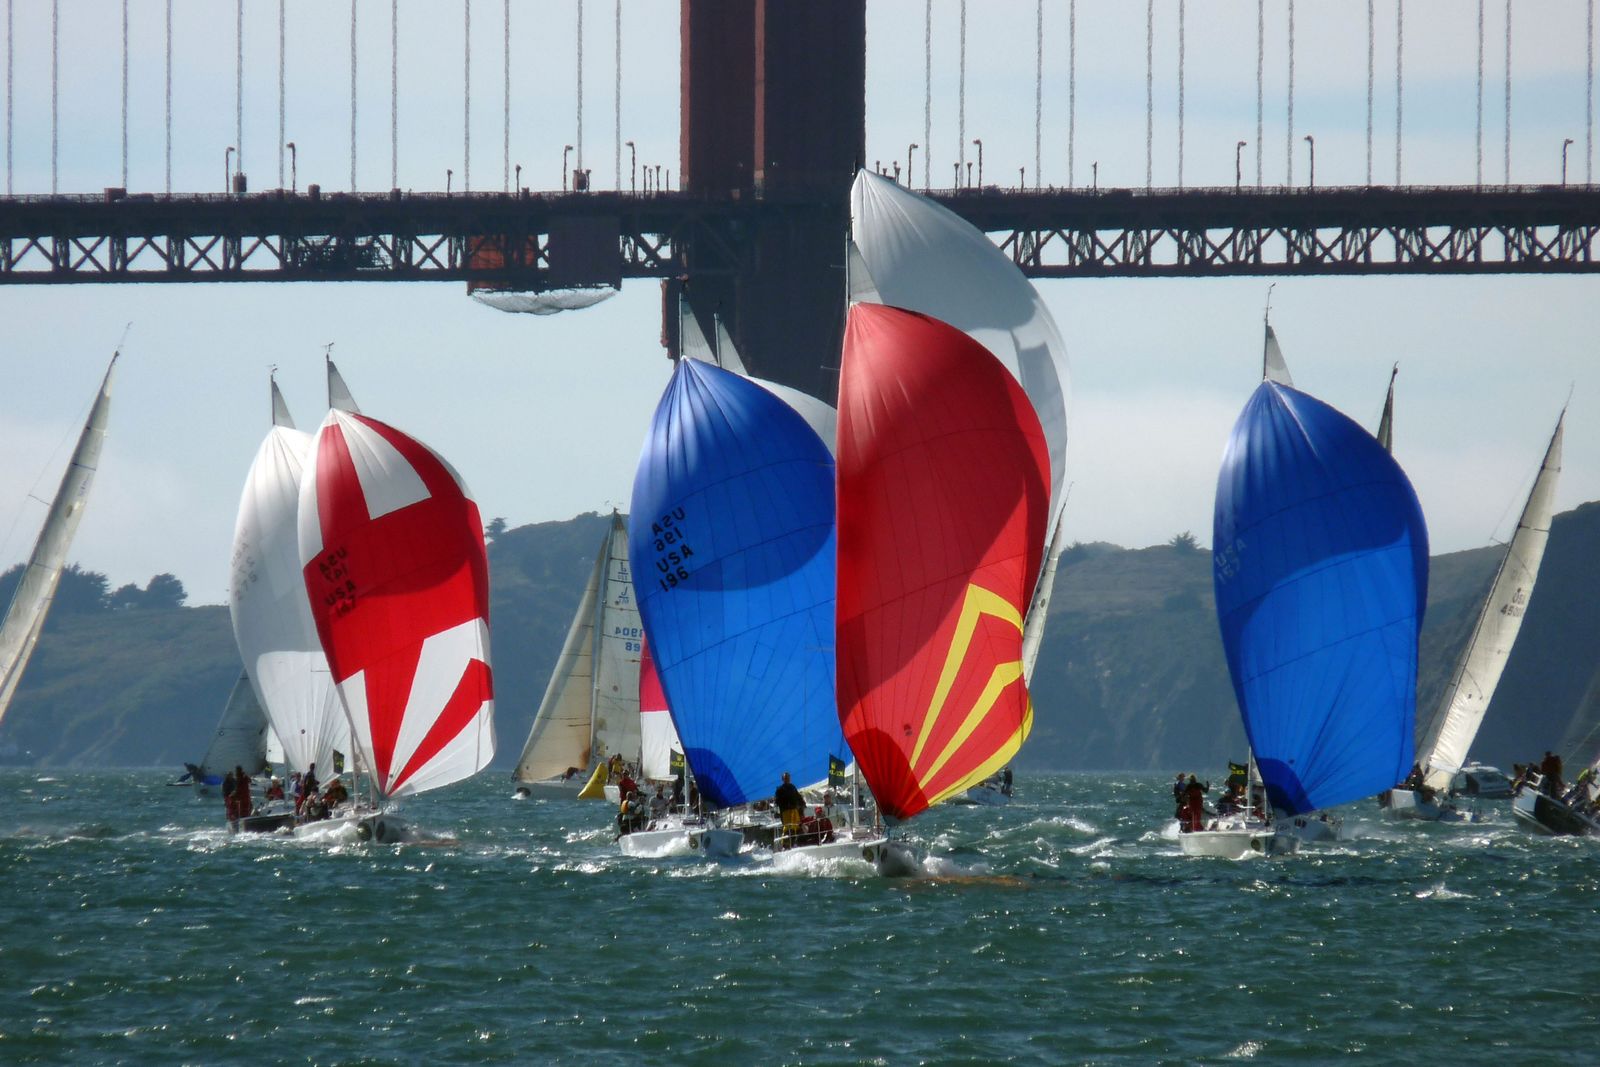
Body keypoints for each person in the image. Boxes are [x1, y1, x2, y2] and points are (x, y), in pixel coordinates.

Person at [774, 771, 805, 843]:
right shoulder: (779, 789)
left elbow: (798, 796)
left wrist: (802, 804)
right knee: (788, 828)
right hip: (786, 812)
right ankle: (786, 843)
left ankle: (798, 842)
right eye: (785, 778)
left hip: (794, 810)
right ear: (783, 779)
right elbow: (777, 801)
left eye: (788, 777)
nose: (787, 779)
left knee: (797, 826)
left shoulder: (793, 787)